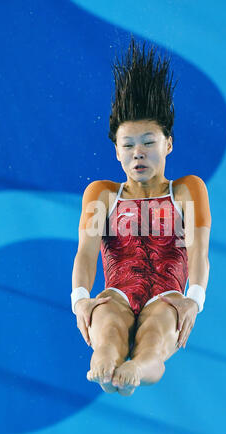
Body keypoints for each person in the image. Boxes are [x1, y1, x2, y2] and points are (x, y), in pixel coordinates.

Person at [71, 36, 211, 397]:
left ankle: (137, 366)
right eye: (128, 145)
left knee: (157, 332)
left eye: (149, 142)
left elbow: (199, 252)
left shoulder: (186, 191)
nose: (139, 154)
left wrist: (194, 299)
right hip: (118, 292)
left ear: (169, 143)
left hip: (166, 297)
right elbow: (85, 254)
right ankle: (107, 358)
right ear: (116, 151)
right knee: (106, 322)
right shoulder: (101, 194)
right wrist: (80, 299)